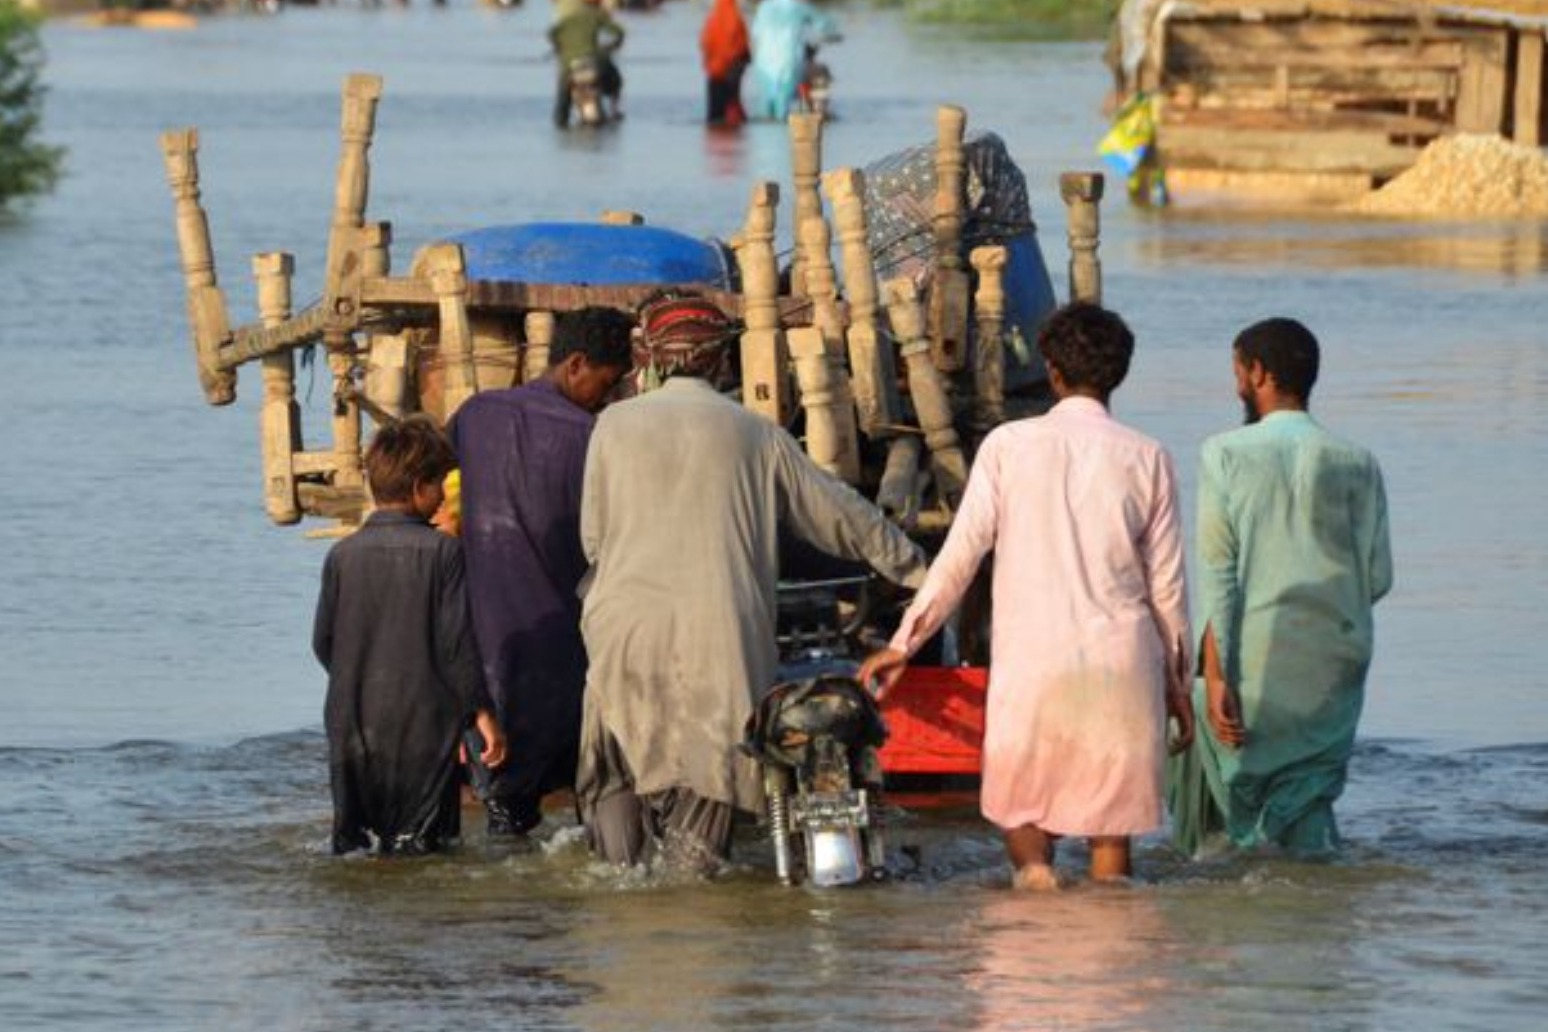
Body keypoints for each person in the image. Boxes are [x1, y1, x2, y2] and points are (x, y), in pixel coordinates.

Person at [576, 292, 928, 872]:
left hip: (622, 632)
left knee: (619, 774)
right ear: (720, 362)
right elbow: (843, 516)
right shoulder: (755, 433)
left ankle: (619, 886)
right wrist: (922, 573)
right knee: (706, 792)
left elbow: (594, 540)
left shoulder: (612, 425)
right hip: (720, 639)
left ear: (654, 359)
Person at [859, 302, 1194, 889]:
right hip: (1121, 662)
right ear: (1119, 374)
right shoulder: (1150, 458)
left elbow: (959, 557)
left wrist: (903, 644)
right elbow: (1167, 590)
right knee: (1111, 841)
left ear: (1051, 371)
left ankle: (1034, 904)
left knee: (1022, 816)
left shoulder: (1009, 447)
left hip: (1035, 665)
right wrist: (1177, 685)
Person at [1169, 317, 1393, 857]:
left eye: (1238, 372)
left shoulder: (1224, 453)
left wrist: (1217, 674)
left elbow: (1219, 573)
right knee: (1310, 795)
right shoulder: (1359, 462)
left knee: (1229, 792)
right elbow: (1379, 578)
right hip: (1337, 656)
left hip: (1255, 653)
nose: (1237, 385)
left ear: (1258, 373)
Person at [446, 307, 634, 837]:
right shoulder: (592, 439)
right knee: (593, 801)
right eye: (608, 381)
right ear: (576, 365)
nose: (610, 394)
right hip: (565, 649)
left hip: (489, 653)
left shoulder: (476, 414)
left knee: (507, 815)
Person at [313, 416, 508, 856]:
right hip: (424, 729)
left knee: (356, 850)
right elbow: (457, 644)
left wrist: (358, 679)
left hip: (351, 725)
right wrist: (481, 714)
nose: (442, 497)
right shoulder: (444, 552)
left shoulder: (341, 555)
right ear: (420, 486)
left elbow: (323, 643)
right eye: (440, 485)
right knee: (425, 851)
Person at [748, 0, 837, 121]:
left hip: (763, 66)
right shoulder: (800, 7)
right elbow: (826, 27)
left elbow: (755, 34)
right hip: (789, 64)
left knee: (766, 108)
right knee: (783, 108)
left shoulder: (764, 7)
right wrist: (831, 36)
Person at [549, 0, 625, 128]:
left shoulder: (565, 21)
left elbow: (551, 33)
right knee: (616, 80)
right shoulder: (595, 16)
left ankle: (561, 120)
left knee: (562, 100)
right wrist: (611, 47)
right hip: (594, 62)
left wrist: (558, 46)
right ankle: (615, 110)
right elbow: (619, 32)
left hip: (570, 67)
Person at [701, 0, 751, 126]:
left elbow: (705, 43)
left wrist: (709, 62)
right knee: (732, 110)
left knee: (714, 116)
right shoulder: (733, 16)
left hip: (714, 72)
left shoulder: (713, 18)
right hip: (730, 70)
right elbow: (740, 43)